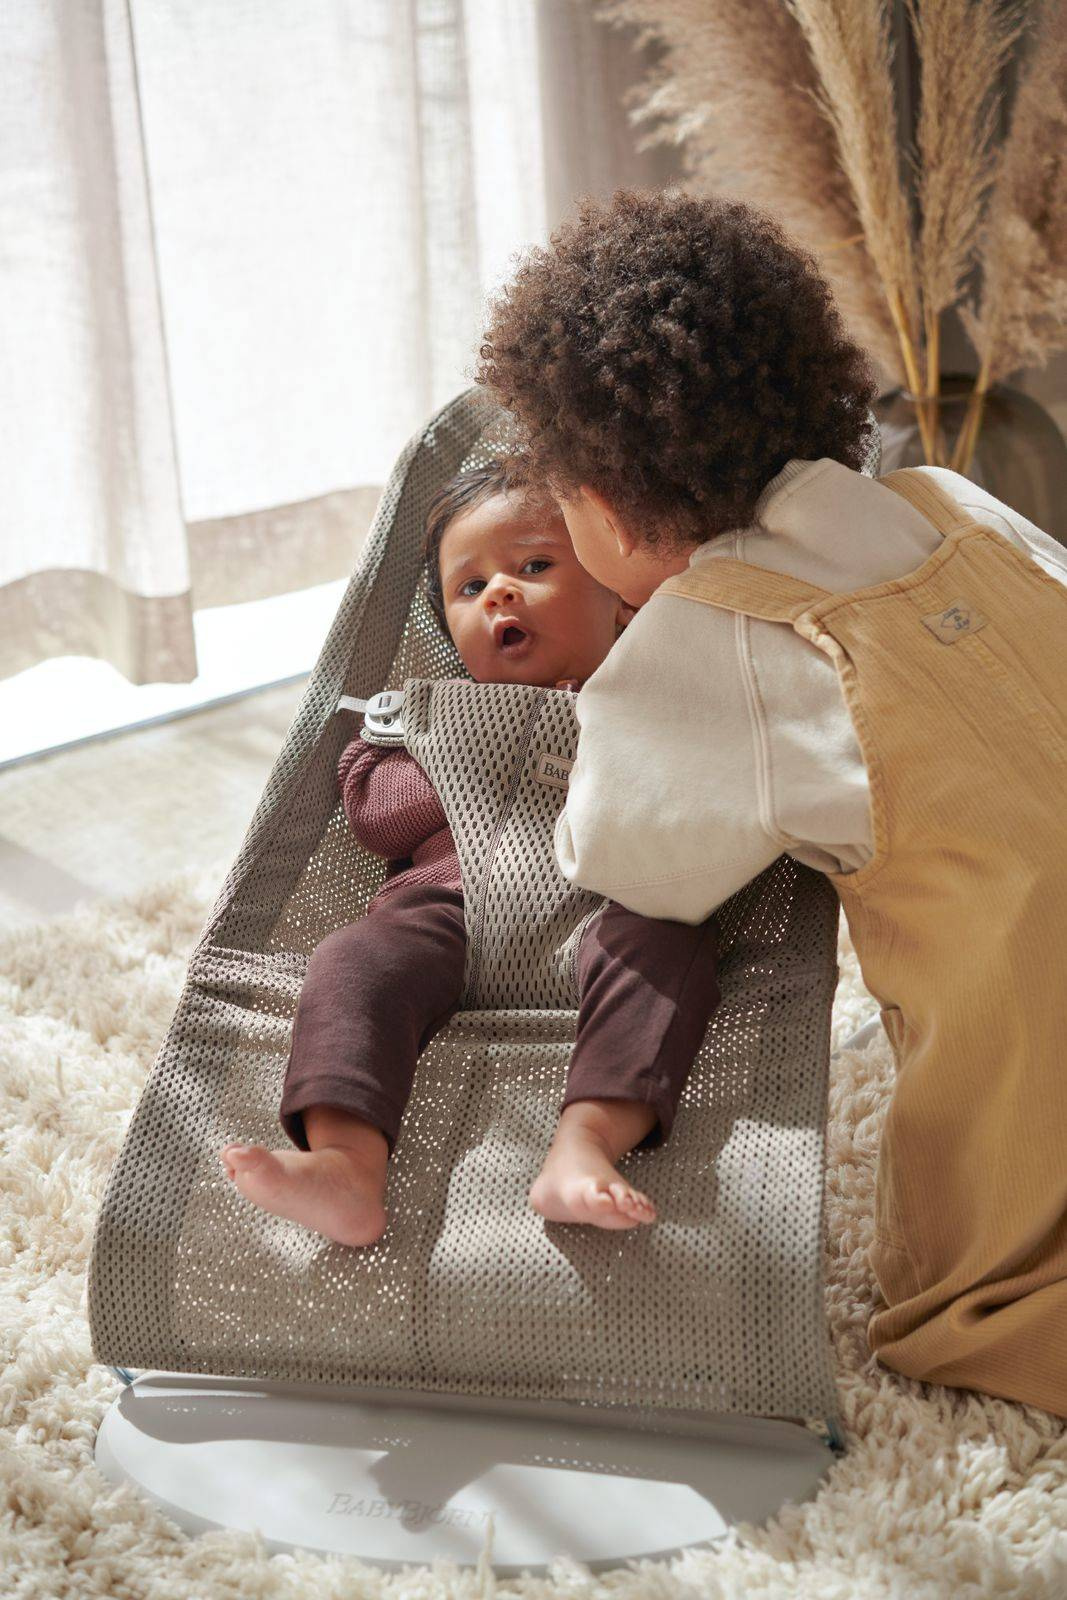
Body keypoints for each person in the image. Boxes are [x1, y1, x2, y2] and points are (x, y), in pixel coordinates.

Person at [475, 186, 1067, 1420]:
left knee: (987, 1306)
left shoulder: (712, 638)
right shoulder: (949, 503)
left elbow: (624, 857)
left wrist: (619, 674)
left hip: (1039, 1083)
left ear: (608, 503)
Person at [219, 457, 720, 1248]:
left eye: (534, 566)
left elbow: (701, 804)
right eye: (469, 587)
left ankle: (582, 1145)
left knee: (671, 953)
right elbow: (379, 824)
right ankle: (346, 1165)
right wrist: (457, 755)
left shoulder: (649, 695)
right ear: (448, 631)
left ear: (619, 601)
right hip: (444, 912)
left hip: (604, 909)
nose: (499, 593)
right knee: (351, 961)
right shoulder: (433, 712)